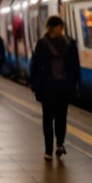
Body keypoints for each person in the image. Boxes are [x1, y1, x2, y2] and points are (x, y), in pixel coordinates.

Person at [30, 15, 81, 161]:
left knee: (50, 119)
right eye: (59, 26)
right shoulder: (70, 44)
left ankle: (53, 148)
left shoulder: (42, 44)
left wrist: (34, 83)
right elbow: (75, 67)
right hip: (60, 87)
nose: (61, 29)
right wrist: (76, 84)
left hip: (50, 87)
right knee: (59, 117)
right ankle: (55, 146)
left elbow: (36, 66)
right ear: (53, 27)